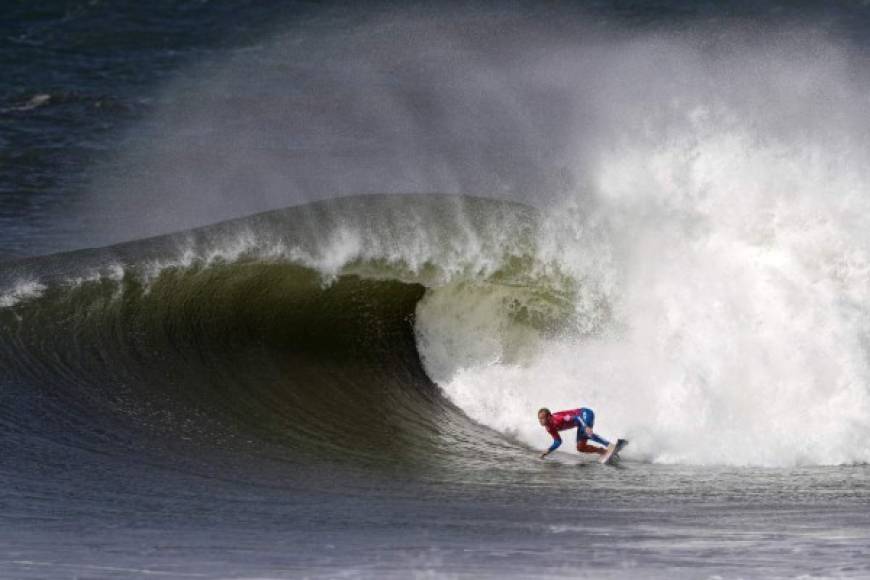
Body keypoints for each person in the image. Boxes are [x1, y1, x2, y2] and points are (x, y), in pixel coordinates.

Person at [538, 407, 621, 459]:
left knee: (586, 432)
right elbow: (558, 441)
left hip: (585, 413)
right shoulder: (549, 428)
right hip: (580, 422)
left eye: (542, 418)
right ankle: (603, 452)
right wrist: (549, 450)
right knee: (580, 448)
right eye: (539, 419)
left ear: (549, 417)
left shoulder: (558, 419)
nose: (540, 421)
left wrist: (585, 426)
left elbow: (577, 418)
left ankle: (610, 446)